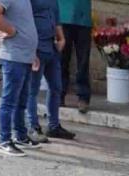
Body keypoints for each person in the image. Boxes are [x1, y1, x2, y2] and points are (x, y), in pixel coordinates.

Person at [0, 0, 39, 157]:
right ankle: (4, 141)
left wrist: (32, 53)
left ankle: (21, 136)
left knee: (21, 101)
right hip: (13, 57)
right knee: (9, 101)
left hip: (24, 56)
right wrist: (11, 31)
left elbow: (24, 23)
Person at [26, 0, 76, 142]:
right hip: (37, 46)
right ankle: (33, 126)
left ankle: (54, 126)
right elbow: (25, 20)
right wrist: (31, 49)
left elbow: (56, 17)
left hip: (52, 46)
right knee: (32, 89)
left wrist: (62, 38)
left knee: (56, 87)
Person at [58, 0, 92, 113]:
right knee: (62, 59)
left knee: (83, 61)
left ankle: (83, 97)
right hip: (63, 16)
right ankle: (59, 94)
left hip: (83, 17)